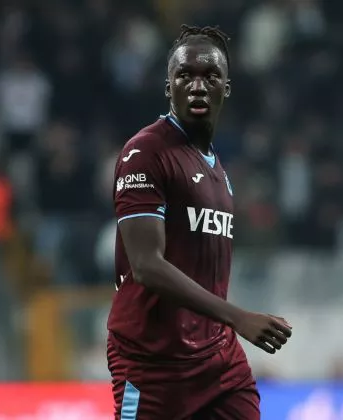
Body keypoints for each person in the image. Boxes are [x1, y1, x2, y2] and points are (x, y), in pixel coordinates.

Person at [107, 24, 293, 420]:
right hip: (152, 365)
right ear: (167, 87)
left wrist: (225, 327)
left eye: (210, 76)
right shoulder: (145, 153)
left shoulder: (217, 169)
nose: (196, 85)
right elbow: (146, 265)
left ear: (226, 88)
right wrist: (238, 317)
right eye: (185, 75)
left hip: (218, 362)